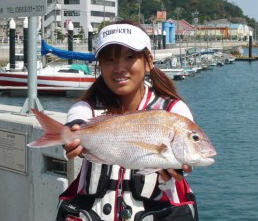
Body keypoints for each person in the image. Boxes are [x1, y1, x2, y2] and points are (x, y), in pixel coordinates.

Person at [56, 20, 198, 221]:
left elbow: (185, 151)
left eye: (129, 57)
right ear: (100, 66)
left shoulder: (173, 110)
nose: (119, 68)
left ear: (148, 61)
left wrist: (175, 170)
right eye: (109, 60)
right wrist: (71, 135)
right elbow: (76, 121)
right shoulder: (87, 107)